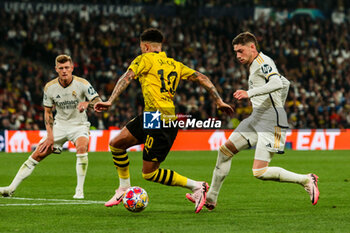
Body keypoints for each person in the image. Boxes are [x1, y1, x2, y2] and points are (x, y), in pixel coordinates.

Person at [94, 28, 233, 213]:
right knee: (117, 144)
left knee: (149, 173)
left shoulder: (144, 59)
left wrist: (110, 100)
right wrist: (219, 101)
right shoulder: (174, 64)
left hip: (162, 119)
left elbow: (127, 77)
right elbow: (202, 78)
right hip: (153, 115)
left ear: (145, 46)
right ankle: (123, 188)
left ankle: (197, 186)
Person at [187, 32, 319, 210]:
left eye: (240, 51)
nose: (238, 56)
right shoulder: (256, 64)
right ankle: (211, 197)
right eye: (235, 52)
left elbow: (277, 83)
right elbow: (285, 82)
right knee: (225, 152)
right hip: (258, 117)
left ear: (252, 47)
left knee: (259, 172)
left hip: (271, 121)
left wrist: (250, 94)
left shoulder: (262, 63)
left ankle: (306, 180)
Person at [0, 54, 101, 199]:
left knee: (82, 147)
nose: (64, 71)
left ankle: (79, 191)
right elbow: (47, 113)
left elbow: (98, 101)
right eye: (61, 68)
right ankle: (10, 188)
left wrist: (87, 103)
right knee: (36, 155)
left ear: (72, 68)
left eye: (67, 67)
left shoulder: (83, 84)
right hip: (59, 126)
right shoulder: (50, 87)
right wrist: (50, 136)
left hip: (79, 125)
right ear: (56, 69)